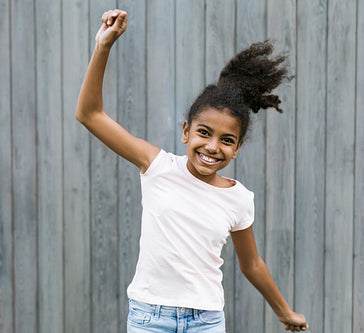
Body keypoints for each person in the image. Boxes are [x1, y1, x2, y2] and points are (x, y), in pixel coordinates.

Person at [76, 9, 309, 333]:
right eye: (204, 133)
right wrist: (103, 46)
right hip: (149, 318)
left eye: (227, 140)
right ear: (186, 131)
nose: (213, 146)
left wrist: (285, 312)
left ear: (237, 148)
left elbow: (252, 264)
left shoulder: (239, 199)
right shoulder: (157, 166)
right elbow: (90, 114)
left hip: (206, 321)